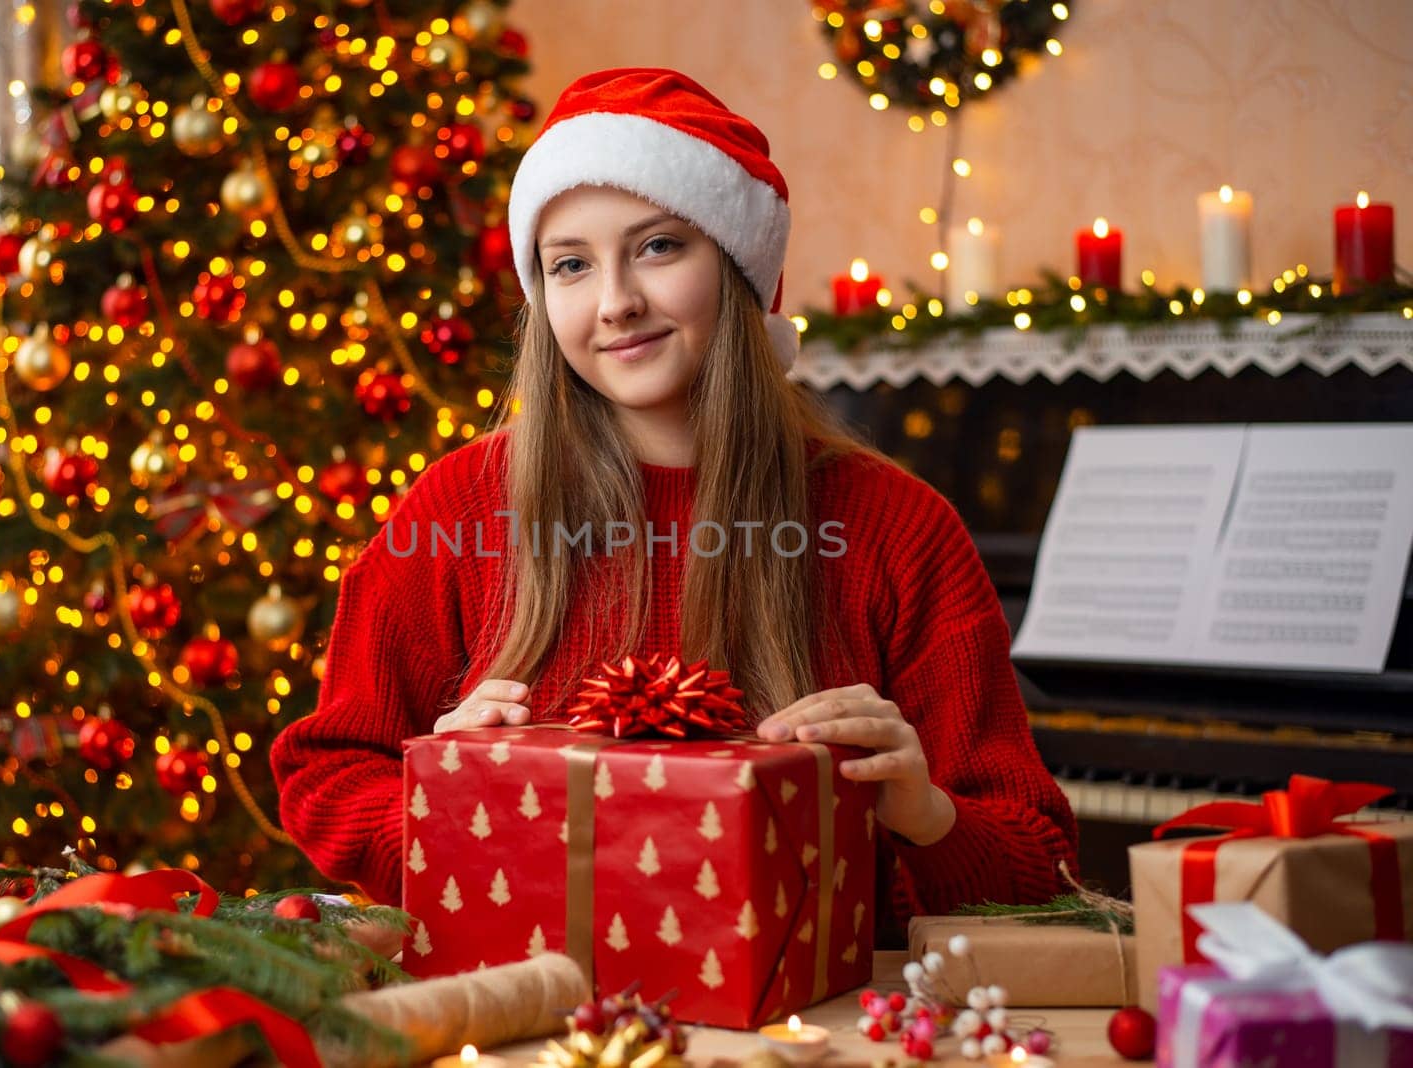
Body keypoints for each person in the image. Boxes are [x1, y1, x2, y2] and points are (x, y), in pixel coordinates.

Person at [271, 68, 1078, 937]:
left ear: (735, 264)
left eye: (658, 247)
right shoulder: (457, 507)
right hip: (532, 1003)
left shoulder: (898, 527)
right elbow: (328, 777)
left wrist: (923, 814)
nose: (615, 303)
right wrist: (451, 807)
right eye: (571, 265)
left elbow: (1042, 864)